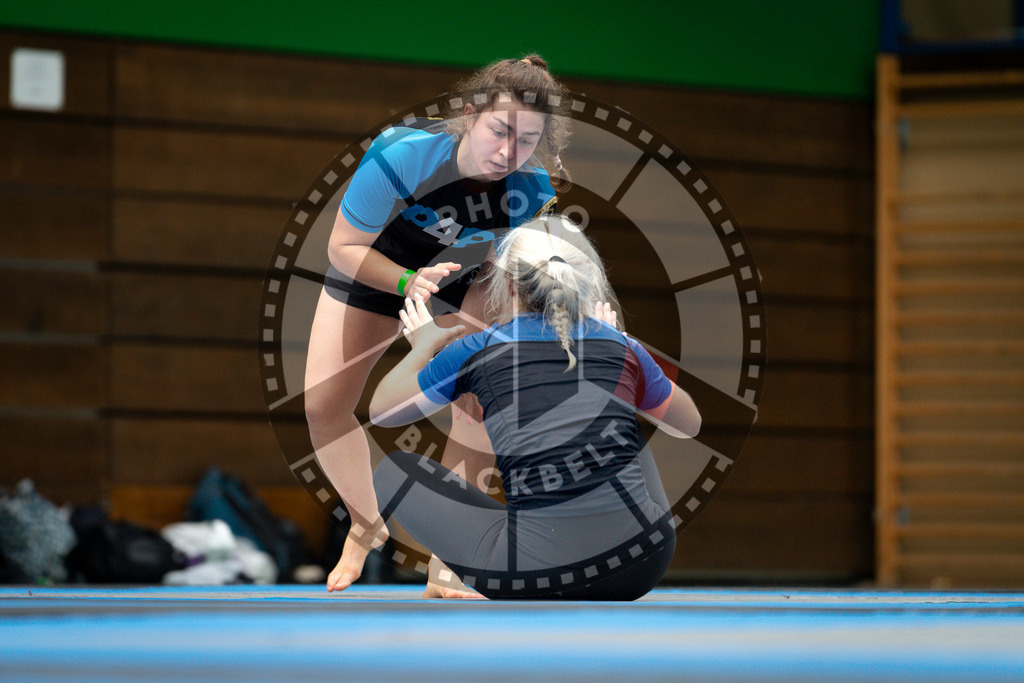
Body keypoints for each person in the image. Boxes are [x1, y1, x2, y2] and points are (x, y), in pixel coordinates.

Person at [304, 55, 572, 595]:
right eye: (498, 131)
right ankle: (364, 523)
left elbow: (503, 274)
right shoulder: (401, 155)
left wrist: (486, 342)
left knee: (477, 404)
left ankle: (449, 559)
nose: (506, 152)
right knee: (322, 406)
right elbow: (342, 247)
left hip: (464, 280)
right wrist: (408, 283)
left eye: (524, 141)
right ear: (469, 114)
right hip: (378, 267)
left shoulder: (531, 187)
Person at [368, 215, 701, 600]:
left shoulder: (476, 349)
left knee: (393, 471)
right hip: (641, 564)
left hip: (533, 573)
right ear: (585, 284)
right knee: (621, 416)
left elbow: (382, 411)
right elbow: (687, 424)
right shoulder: (621, 347)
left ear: (508, 284)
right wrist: (621, 347)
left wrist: (424, 346)